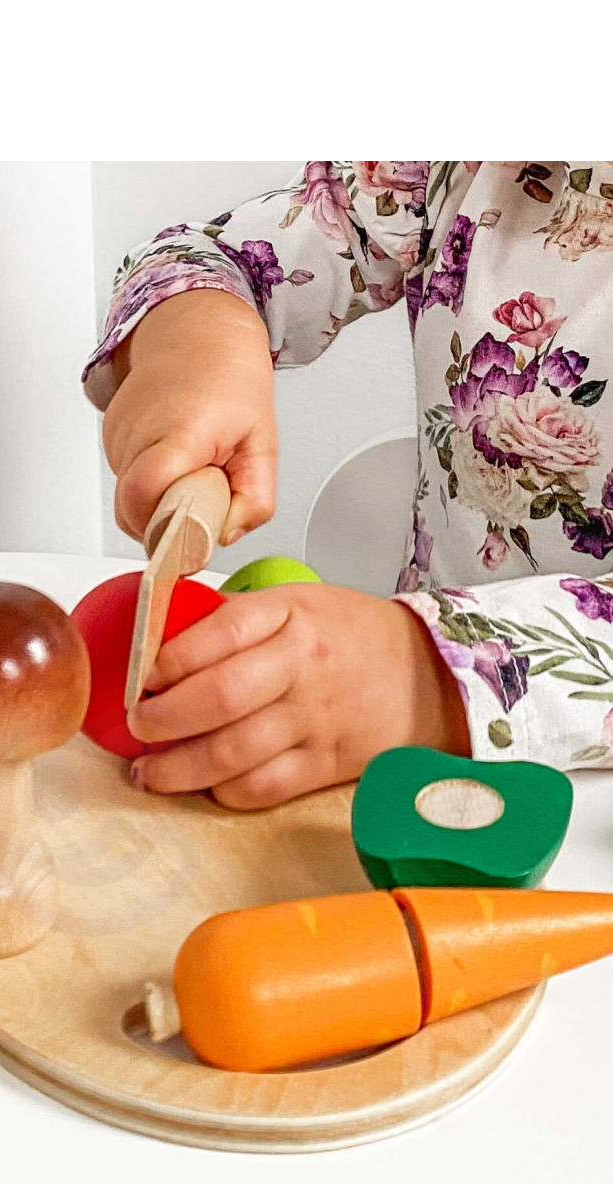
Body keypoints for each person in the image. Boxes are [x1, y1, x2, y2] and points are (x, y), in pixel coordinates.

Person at [83, 161, 613, 809]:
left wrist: (423, 678)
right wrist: (196, 341)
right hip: (409, 788)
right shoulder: (463, 163)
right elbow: (205, 255)